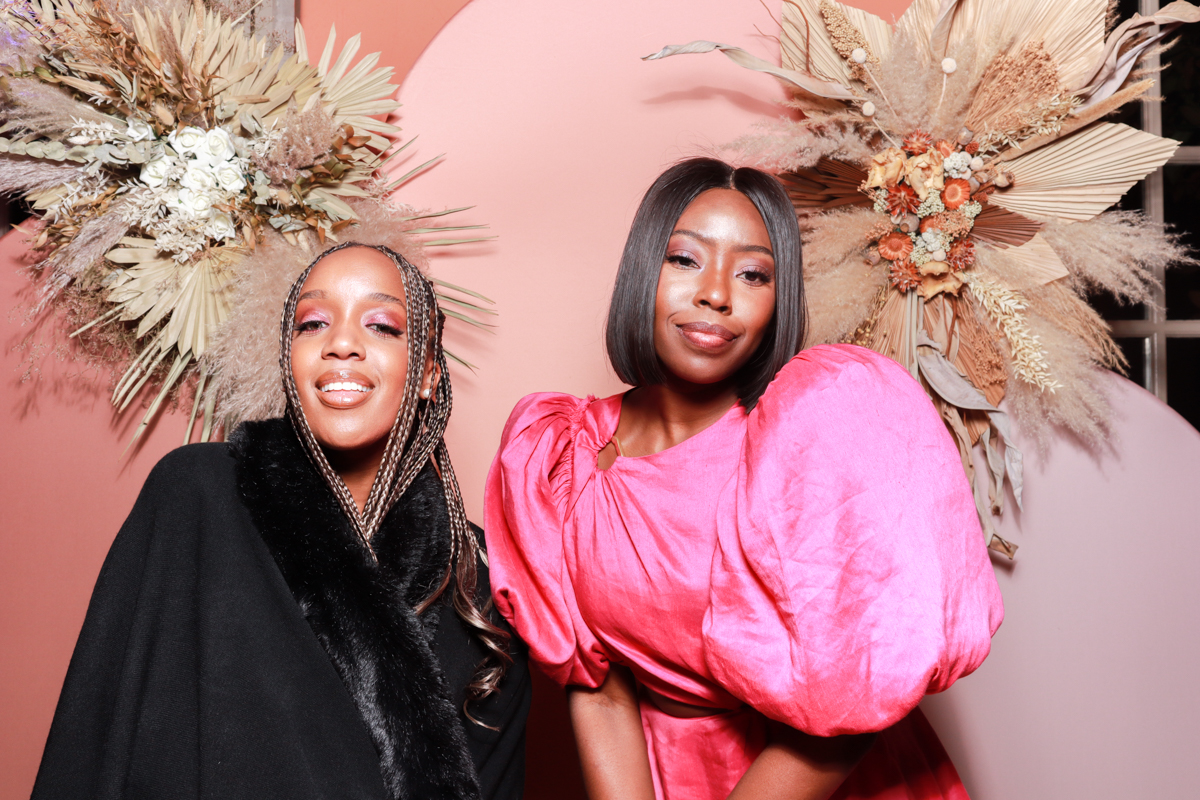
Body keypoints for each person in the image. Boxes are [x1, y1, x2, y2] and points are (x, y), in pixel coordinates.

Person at [485, 158, 1003, 800]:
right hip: (661, 774)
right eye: (685, 260)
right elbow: (599, 688)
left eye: (754, 273)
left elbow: (860, 681)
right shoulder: (558, 453)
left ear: (777, 300)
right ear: (642, 269)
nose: (717, 294)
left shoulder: (818, 436)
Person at [32, 243, 531, 800]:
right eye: (313, 324)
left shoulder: (479, 582)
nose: (342, 344)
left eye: (383, 326)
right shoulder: (198, 498)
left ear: (427, 376)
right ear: (288, 360)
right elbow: (100, 734)